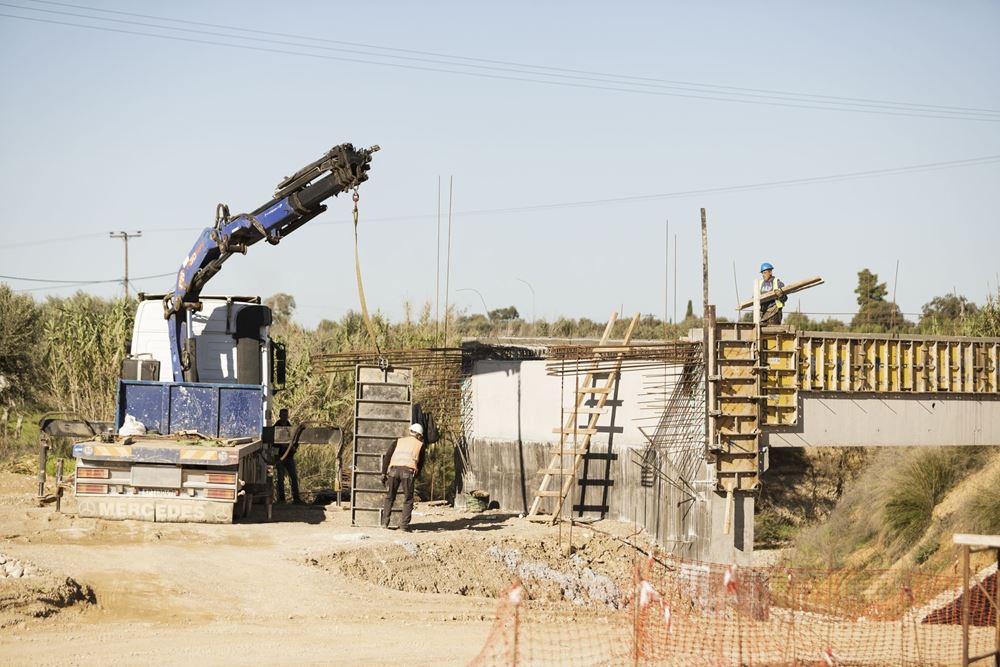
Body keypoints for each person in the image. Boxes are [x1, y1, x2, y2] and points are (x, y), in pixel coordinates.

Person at [380, 423, 425, 532]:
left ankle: (384, 523)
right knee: (408, 499)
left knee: (390, 497)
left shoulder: (398, 441)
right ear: (419, 435)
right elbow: (421, 463)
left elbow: (387, 456)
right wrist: (416, 476)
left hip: (393, 471)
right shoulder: (420, 444)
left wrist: (383, 473)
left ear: (410, 432)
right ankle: (404, 526)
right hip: (408, 472)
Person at [274, 408, 303, 504]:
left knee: (294, 477)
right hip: (280, 458)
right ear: (279, 416)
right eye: (282, 415)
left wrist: (292, 448)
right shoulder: (275, 428)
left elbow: (295, 441)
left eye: (286, 415)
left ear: (287, 416)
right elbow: (272, 443)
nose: (284, 417)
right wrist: (277, 453)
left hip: (289, 457)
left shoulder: (290, 427)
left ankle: (296, 498)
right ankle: (281, 499)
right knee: (280, 478)